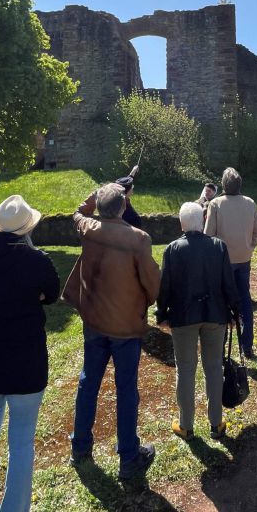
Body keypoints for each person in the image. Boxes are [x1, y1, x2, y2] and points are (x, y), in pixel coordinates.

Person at [62, 183, 160, 481]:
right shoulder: (139, 239)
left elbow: (77, 213)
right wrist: (146, 301)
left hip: (94, 322)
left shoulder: (88, 228)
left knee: (88, 382)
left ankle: (80, 447)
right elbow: (153, 285)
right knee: (126, 389)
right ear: (124, 207)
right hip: (125, 327)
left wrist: (94, 196)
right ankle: (128, 457)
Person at [0, 195, 60, 512]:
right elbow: (51, 293)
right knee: (21, 445)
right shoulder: (36, 261)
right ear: (26, 229)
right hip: (26, 366)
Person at [156, 202, 239, 441]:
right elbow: (229, 283)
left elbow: (165, 287)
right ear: (202, 221)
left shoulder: (172, 249)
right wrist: (234, 313)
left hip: (183, 317)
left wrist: (162, 314)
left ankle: (186, 425)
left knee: (185, 369)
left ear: (181, 224)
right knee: (213, 368)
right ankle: (216, 423)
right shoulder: (218, 246)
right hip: (215, 315)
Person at [204, 167, 257, 359]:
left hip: (222, 261)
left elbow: (208, 235)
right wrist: (249, 247)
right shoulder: (250, 203)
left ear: (223, 185)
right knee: (244, 300)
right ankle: (248, 345)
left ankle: (220, 347)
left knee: (221, 301)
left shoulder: (216, 204)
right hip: (243, 259)